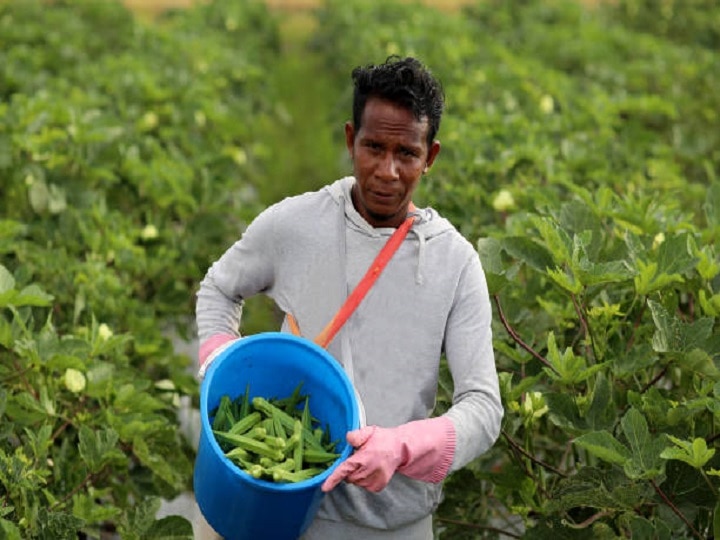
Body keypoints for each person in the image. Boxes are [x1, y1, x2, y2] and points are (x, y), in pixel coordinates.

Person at [195, 55, 503, 539]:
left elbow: (484, 407)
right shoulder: (296, 224)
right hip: (288, 509)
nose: (387, 171)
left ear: (432, 156)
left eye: (407, 154)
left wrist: (401, 447)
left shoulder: (454, 263)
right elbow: (219, 287)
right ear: (349, 139)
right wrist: (218, 361)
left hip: (397, 517)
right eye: (373, 147)